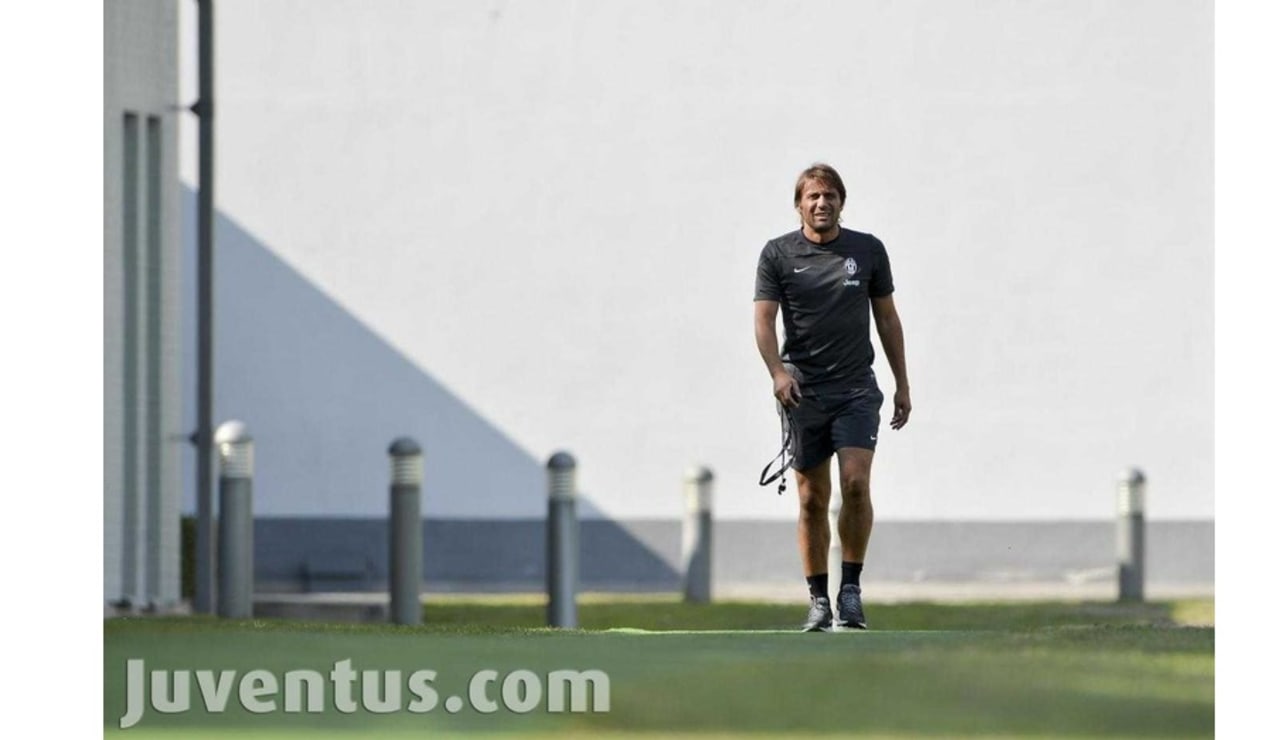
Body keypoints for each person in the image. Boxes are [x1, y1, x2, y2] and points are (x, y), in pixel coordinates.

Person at [753, 163, 911, 631]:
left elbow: (887, 319)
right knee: (811, 498)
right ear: (799, 205)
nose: (822, 203)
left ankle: (851, 591)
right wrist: (778, 373)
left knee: (856, 484)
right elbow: (763, 321)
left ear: (842, 202)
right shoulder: (778, 254)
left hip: (856, 388)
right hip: (803, 391)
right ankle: (818, 599)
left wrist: (902, 382)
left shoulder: (867, 250)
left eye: (830, 196)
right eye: (813, 197)